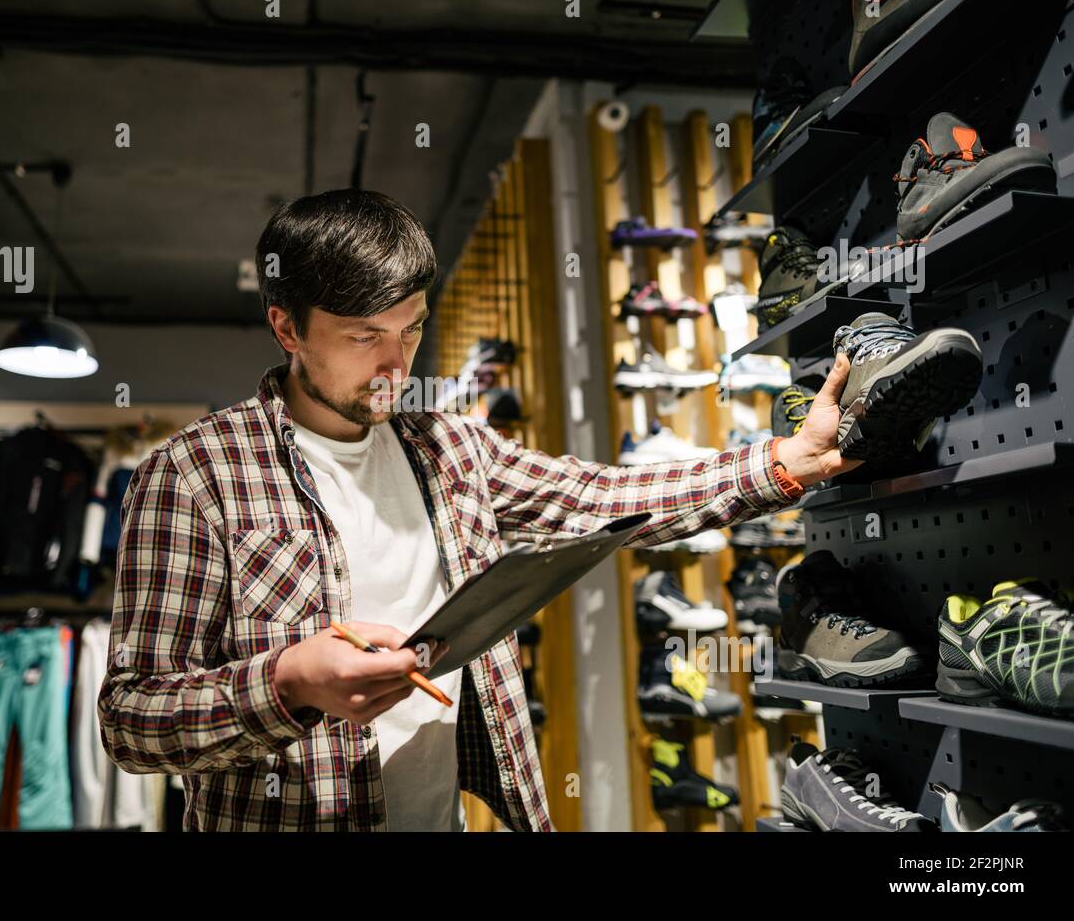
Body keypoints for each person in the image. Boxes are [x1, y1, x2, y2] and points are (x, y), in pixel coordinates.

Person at [98, 188, 857, 831]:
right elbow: (131, 720)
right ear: (288, 328)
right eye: (365, 337)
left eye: (412, 330)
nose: (398, 366)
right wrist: (288, 680)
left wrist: (781, 465)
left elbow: (599, 498)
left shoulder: (450, 450)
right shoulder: (194, 473)